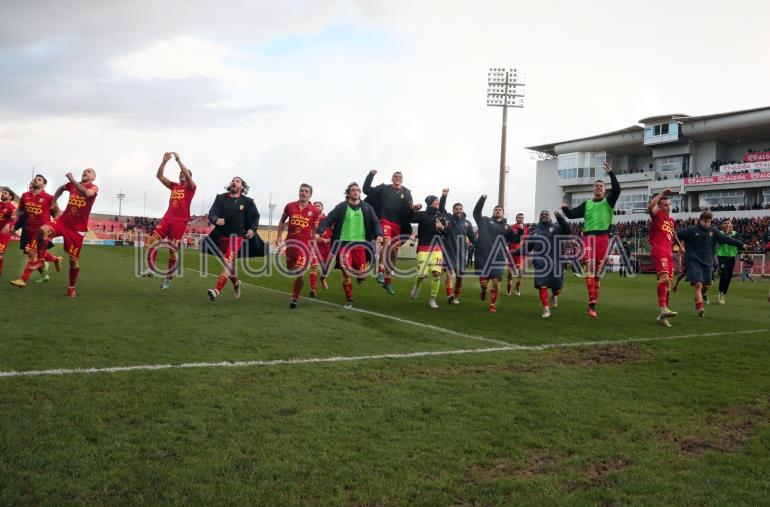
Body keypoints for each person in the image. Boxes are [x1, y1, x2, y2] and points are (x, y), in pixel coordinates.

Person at [561, 162, 621, 318]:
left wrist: (611, 173)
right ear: (593, 189)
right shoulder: (586, 204)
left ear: (604, 190)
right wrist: (565, 208)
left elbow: (617, 189)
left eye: (601, 186)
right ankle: (592, 301)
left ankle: (594, 303)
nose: (599, 187)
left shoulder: (608, 202)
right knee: (589, 267)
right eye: (597, 186)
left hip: (603, 239)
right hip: (588, 238)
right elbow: (571, 215)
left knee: (597, 275)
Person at [315, 182, 383, 308]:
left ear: (360, 193)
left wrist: (379, 234)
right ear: (348, 192)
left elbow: (375, 222)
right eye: (353, 190)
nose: (355, 192)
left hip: (361, 245)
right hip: (344, 245)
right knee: (346, 272)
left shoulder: (367, 207)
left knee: (362, 273)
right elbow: (328, 219)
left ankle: (360, 276)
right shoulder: (341, 207)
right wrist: (319, 232)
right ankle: (349, 299)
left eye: (357, 190)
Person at [142, 152, 196, 289]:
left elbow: (187, 175)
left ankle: (169, 277)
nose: (181, 174)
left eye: (184, 173)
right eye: (180, 173)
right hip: (167, 218)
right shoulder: (174, 186)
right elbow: (159, 176)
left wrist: (178, 160)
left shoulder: (191, 187)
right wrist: (164, 162)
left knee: (172, 251)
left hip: (180, 222)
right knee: (150, 241)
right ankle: (151, 269)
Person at [202, 177, 260, 302]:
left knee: (228, 261)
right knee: (228, 264)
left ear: (242, 187)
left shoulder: (247, 201)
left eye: (237, 181)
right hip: (221, 236)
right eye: (233, 180)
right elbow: (212, 213)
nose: (234, 182)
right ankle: (236, 283)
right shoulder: (221, 198)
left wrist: (253, 229)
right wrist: (216, 219)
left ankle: (216, 290)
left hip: (237, 236)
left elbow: (255, 216)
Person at [676, 211, 743, 317]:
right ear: (700, 221)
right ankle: (700, 307)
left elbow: (727, 239)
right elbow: (676, 235)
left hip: (708, 262)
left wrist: (742, 244)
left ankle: (697, 299)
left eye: (709, 221)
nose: (707, 223)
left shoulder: (713, 231)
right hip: (693, 261)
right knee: (698, 284)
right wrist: (680, 245)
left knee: (707, 285)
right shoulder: (690, 230)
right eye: (704, 221)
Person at [362, 170, 419, 295]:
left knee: (393, 253)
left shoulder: (406, 192)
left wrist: (414, 208)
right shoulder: (384, 188)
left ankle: (388, 281)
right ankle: (380, 271)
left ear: (402, 180)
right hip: (384, 220)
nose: (397, 178)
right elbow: (366, 190)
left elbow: (410, 208)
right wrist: (370, 176)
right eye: (395, 176)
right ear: (392, 178)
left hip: (398, 225)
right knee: (387, 243)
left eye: (400, 177)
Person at [10, 175, 61, 289]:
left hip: (40, 231)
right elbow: (20, 210)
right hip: (27, 229)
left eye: (39, 179)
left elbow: (57, 213)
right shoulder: (25, 196)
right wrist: (15, 216)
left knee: (31, 252)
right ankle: (56, 259)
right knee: (32, 253)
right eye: (35, 179)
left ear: (43, 185)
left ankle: (23, 280)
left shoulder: (49, 198)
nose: (35, 180)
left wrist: (53, 225)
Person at [275, 183, 320, 309]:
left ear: (310, 195)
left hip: (305, 245)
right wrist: (279, 236)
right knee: (292, 270)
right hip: (290, 243)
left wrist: (314, 241)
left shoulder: (314, 211)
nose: (303, 193)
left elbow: (316, 229)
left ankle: (294, 298)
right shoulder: (290, 206)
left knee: (299, 270)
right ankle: (298, 287)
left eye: (306, 191)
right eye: (301, 191)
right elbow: (282, 221)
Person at [523, 209, 571, 318]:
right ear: (539, 217)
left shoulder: (556, 227)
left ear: (550, 216)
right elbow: (527, 247)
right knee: (541, 285)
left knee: (557, 287)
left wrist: (560, 218)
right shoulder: (534, 231)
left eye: (546, 214)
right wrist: (516, 252)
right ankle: (546, 309)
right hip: (540, 262)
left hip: (555, 261)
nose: (544, 215)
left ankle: (555, 295)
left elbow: (568, 230)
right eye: (542, 214)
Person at [647, 188, 683, 327]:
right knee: (664, 279)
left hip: (669, 252)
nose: (668, 207)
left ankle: (663, 316)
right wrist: (662, 193)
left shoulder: (671, 220)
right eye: (665, 205)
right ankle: (663, 308)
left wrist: (680, 245)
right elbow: (650, 206)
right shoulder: (657, 215)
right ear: (660, 207)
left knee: (668, 284)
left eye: (669, 204)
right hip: (659, 249)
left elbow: (673, 233)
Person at [473, 194, 513, 313]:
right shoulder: (485, 220)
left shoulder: (507, 227)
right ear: (493, 212)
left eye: (500, 209)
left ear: (503, 213)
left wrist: (520, 230)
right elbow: (476, 213)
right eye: (496, 209)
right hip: (483, 256)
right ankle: (484, 290)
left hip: (498, 257)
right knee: (484, 284)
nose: (497, 211)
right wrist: (482, 199)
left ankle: (492, 304)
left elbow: (515, 239)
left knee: (495, 281)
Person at [408, 194, 449, 309]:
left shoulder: (441, 215)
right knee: (422, 275)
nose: (438, 202)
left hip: (437, 248)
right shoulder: (421, 215)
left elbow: (447, 234)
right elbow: (410, 220)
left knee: (436, 274)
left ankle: (432, 299)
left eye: (438, 201)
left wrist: (442, 228)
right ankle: (417, 285)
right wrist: (413, 232)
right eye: (436, 200)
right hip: (423, 248)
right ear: (430, 202)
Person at [439, 189, 475, 304]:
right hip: (449, 251)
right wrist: (444, 196)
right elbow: (441, 208)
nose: (458, 210)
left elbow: (473, 238)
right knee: (450, 273)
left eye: (460, 208)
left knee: (459, 277)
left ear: (463, 210)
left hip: (461, 252)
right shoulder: (449, 218)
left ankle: (456, 296)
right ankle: (449, 294)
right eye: (456, 209)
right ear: (453, 210)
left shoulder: (467, 223)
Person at [310, 201, 332, 293]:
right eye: (314, 206)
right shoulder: (310, 219)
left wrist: (327, 240)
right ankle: (313, 289)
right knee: (314, 266)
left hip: (327, 247)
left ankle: (323, 278)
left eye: (318, 206)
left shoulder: (328, 219)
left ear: (322, 208)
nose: (316, 207)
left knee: (325, 269)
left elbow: (336, 232)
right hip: (315, 247)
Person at [716, 219, 740, 303]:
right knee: (724, 275)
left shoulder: (736, 234)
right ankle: (720, 293)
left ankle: (723, 295)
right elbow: (722, 241)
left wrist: (729, 236)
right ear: (723, 225)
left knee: (729, 277)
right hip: (722, 256)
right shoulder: (720, 233)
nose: (727, 224)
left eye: (728, 223)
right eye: (725, 223)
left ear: (731, 224)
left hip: (732, 257)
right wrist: (727, 234)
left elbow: (737, 242)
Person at [506, 213, 528, 296]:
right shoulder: (511, 228)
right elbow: (507, 240)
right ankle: (509, 287)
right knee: (510, 273)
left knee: (521, 272)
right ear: (516, 219)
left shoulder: (526, 229)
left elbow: (526, 241)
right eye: (519, 217)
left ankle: (517, 287)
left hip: (521, 253)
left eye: (522, 217)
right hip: (511, 253)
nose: (520, 219)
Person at [0, 188, 17, 277]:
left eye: (5, 193)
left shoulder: (12, 208)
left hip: (3, 233)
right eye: (2, 193)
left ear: (10, 197)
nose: (3, 194)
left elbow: (14, 219)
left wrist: (8, 224)